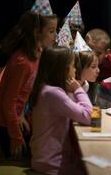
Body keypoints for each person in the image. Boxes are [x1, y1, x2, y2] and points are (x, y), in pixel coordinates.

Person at [0, 0, 57, 159]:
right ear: (36, 33)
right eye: (51, 31)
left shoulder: (38, 54)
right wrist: (15, 137)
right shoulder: (22, 61)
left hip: (18, 116)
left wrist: (22, 114)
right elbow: (8, 101)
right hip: (7, 123)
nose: (55, 35)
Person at [29, 46, 92, 175]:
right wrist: (78, 89)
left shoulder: (45, 88)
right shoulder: (53, 93)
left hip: (44, 159)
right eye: (73, 66)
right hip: (52, 164)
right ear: (64, 69)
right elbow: (88, 115)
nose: (75, 70)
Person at [73, 31, 100, 102]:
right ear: (80, 67)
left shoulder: (85, 85)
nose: (98, 70)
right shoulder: (69, 87)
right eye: (93, 67)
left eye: (97, 66)